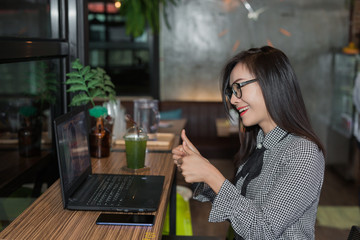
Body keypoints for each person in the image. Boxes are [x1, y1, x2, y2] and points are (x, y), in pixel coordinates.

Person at [172, 46, 325, 239]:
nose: (233, 100)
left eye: (239, 87)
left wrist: (211, 175)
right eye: (231, 92)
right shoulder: (260, 142)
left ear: (271, 83)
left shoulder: (303, 152)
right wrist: (202, 171)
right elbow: (241, 212)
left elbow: (262, 230)